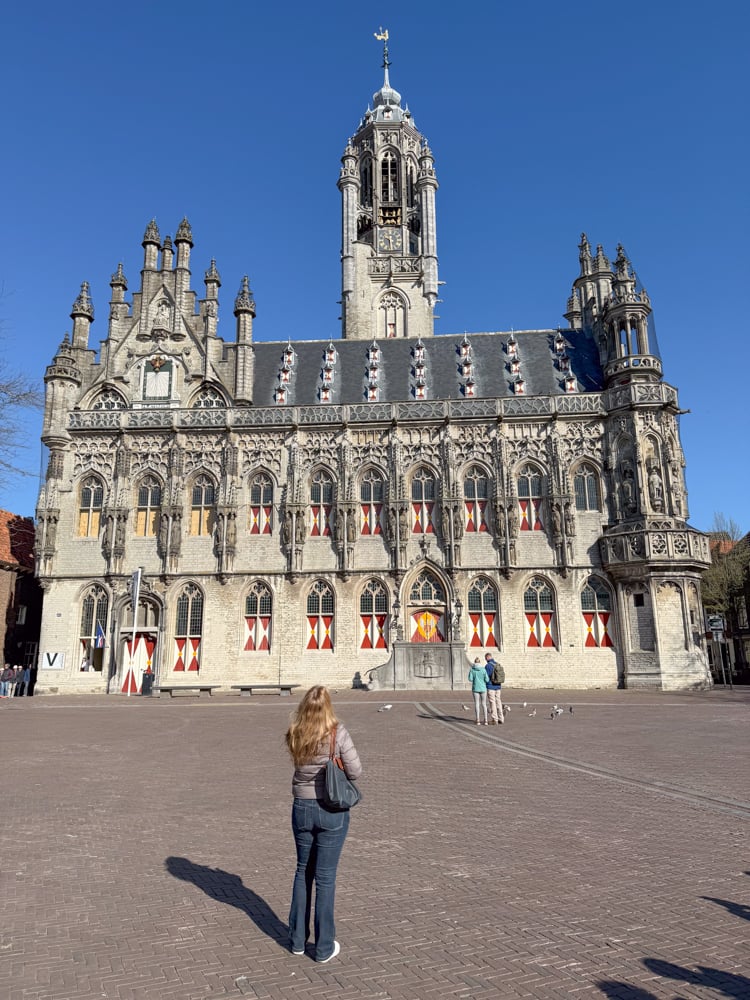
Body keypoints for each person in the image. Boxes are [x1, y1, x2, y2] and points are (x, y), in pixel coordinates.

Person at [285, 685, 362, 963]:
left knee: (302, 871)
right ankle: (323, 946)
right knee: (325, 878)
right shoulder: (337, 732)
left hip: (302, 808)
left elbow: (297, 761)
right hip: (330, 810)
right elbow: (356, 770)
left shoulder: (296, 731)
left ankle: (296, 940)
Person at [484, 652, 504, 724]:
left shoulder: (487, 666)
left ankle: (494, 719)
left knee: (492, 703)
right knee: (498, 701)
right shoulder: (497, 664)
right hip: (498, 686)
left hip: (491, 686)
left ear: (487, 658)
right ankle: (501, 718)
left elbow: (486, 677)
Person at [468, 657, 489, 725]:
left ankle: (478, 720)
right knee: (484, 704)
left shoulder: (472, 670)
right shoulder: (483, 670)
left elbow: (470, 679)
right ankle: (485, 720)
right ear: (480, 662)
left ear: (474, 662)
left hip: (475, 688)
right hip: (483, 688)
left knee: (477, 704)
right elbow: (487, 680)